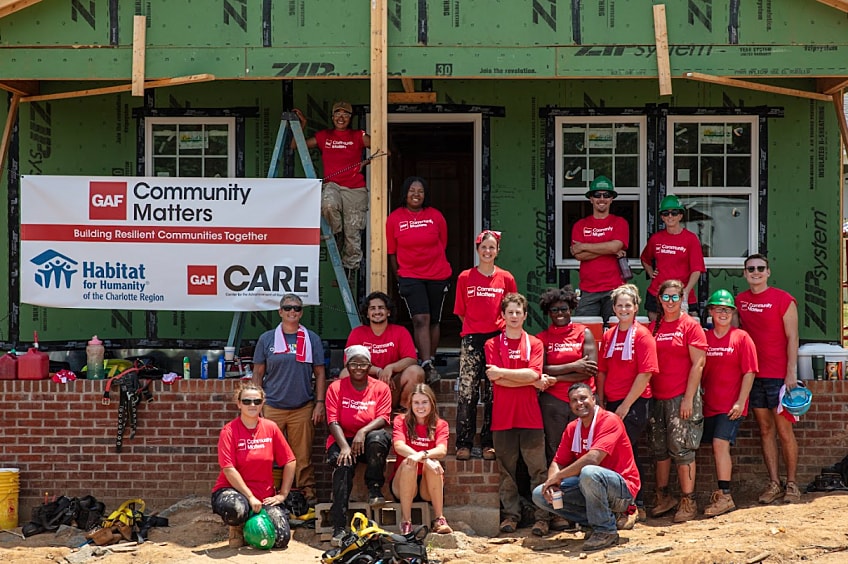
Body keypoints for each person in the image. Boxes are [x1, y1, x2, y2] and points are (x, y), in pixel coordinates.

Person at [532, 382, 641, 552]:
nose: (579, 403)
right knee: (540, 494)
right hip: (589, 487)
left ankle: (605, 531)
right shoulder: (572, 428)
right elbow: (558, 461)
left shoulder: (610, 420)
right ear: (570, 405)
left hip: (622, 491)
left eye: (583, 398)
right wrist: (552, 483)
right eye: (574, 400)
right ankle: (596, 522)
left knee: (589, 472)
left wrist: (558, 477)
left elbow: (593, 459)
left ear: (594, 399)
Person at [736, 253, 801, 504]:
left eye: (760, 268)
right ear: (745, 273)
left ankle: (792, 484)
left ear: (768, 272)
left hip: (779, 377)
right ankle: (774, 483)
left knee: (784, 430)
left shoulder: (784, 299)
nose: (756, 272)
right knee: (765, 430)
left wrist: (791, 372)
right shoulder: (740, 301)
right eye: (751, 268)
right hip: (753, 375)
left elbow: (793, 337)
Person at [485, 293, 551, 537]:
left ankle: (543, 518)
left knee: (538, 471)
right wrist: (528, 380)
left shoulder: (535, 343)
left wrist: (504, 373)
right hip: (503, 418)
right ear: (502, 315)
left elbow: (533, 374)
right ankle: (511, 516)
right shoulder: (492, 344)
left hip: (530, 417)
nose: (514, 316)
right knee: (506, 472)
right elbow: (497, 381)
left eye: (518, 312)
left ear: (525, 316)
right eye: (509, 312)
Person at [252, 293, 325, 507]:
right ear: (280, 312)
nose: (292, 311)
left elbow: (320, 373)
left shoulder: (311, 338)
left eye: (296, 308)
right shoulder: (267, 339)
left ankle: (308, 496)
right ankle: (266, 494)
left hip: (302, 407)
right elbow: (258, 372)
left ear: (301, 313)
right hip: (272, 406)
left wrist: (319, 403)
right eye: (288, 308)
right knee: (267, 454)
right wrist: (256, 403)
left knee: (302, 457)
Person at [595, 284, 658, 521]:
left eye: (628, 305)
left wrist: (625, 406)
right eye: (619, 305)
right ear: (613, 308)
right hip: (611, 403)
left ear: (635, 308)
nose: (623, 309)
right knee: (624, 453)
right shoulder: (609, 335)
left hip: (635, 403)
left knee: (623, 452)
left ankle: (632, 504)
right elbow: (602, 370)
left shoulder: (642, 335)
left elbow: (646, 373)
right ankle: (629, 503)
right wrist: (601, 400)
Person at [453, 230, 517, 461]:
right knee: (467, 391)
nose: (487, 251)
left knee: (493, 392)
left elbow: (513, 309)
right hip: (472, 338)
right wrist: (474, 327)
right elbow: (461, 311)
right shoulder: (465, 277)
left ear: (497, 251)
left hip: (497, 339)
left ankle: (489, 442)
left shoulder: (506, 278)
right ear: (477, 250)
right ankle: (464, 443)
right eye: (483, 247)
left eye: (492, 247)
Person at [648, 279, 707, 523]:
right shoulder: (654, 326)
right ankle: (663, 496)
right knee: (659, 449)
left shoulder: (690, 326)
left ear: (682, 299)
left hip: (681, 396)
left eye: (675, 297)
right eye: (666, 297)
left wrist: (688, 398)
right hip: (657, 397)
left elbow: (699, 363)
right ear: (660, 299)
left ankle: (688, 500)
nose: (670, 301)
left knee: (682, 449)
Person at [212, 384, 296, 549]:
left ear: (262, 403)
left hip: (264, 496)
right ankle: (237, 527)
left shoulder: (270, 427)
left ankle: (251, 528)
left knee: (281, 539)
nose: (252, 405)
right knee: (236, 508)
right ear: (239, 404)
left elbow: (290, 460)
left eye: (257, 401)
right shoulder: (229, 431)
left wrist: (283, 494)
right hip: (233, 491)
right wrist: (250, 497)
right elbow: (228, 469)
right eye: (247, 401)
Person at [325, 345, 392, 545]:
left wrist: (362, 431)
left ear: (370, 366)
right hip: (342, 439)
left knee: (378, 438)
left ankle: (374, 488)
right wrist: (344, 447)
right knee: (343, 465)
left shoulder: (381, 388)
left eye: (363, 364)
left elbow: (384, 417)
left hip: (368, 441)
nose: (358, 368)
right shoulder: (336, 387)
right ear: (347, 365)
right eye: (354, 363)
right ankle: (339, 527)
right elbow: (332, 421)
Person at [387, 176, 452, 382]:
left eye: (420, 191)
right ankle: (425, 364)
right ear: (405, 193)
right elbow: (392, 252)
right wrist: (399, 276)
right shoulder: (395, 218)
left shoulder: (435, 216)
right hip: (410, 276)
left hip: (437, 274)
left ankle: (430, 359)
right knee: (420, 318)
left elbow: (443, 243)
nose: (416, 195)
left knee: (434, 319)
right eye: (412, 191)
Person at [294, 101, 371, 272]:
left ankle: (350, 271)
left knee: (353, 236)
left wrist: (366, 162)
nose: (341, 118)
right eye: (337, 114)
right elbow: (295, 146)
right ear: (332, 116)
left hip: (355, 189)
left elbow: (384, 150)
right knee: (328, 204)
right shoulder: (324, 136)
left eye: (345, 115)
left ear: (350, 118)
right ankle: (337, 233)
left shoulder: (358, 135)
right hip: (333, 185)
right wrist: (303, 124)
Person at [701, 289, 758, 517]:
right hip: (708, 405)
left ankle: (725, 496)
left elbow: (750, 372)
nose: (723, 313)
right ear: (711, 312)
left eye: (727, 309)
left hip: (731, 406)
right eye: (718, 309)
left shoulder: (742, 338)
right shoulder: (704, 338)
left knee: (719, 443)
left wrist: (740, 402)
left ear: (733, 313)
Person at [536, 285, 597, 464]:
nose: (559, 313)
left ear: (571, 309)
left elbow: (590, 370)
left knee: (585, 447)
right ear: (548, 313)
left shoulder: (584, 333)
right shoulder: (542, 338)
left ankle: (583, 481)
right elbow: (542, 369)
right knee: (555, 447)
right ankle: (557, 480)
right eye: (554, 310)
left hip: (582, 398)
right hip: (553, 401)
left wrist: (557, 377)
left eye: (563, 309)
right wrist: (574, 366)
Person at [344, 291, 425, 411]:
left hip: (393, 387)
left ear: (388, 312)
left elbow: (411, 359)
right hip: (365, 388)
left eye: (381, 308)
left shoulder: (400, 331)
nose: (377, 312)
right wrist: (378, 371)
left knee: (416, 371)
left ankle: (402, 410)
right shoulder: (357, 333)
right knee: (345, 373)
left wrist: (391, 368)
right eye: (372, 308)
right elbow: (349, 362)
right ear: (367, 314)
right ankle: (355, 412)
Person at [391, 384, 452, 535]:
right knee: (409, 463)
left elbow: (442, 450)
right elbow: (399, 446)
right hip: (403, 483)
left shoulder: (440, 424)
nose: (420, 407)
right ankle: (406, 522)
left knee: (434, 464)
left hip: (427, 486)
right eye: (416, 402)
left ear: (432, 403)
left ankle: (439, 519)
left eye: (424, 402)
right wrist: (425, 459)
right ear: (410, 404)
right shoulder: (401, 420)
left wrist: (421, 455)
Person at [570, 175, 629, 321]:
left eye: (606, 195)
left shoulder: (619, 222)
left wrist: (584, 246)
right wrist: (608, 249)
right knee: (585, 330)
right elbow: (579, 255)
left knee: (615, 330)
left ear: (611, 199)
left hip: (615, 289)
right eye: (597, 195)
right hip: (588, 289)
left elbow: (615, 246)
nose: (602, 199)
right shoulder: (580, 225)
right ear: (591, 199)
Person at [640, 195, 706, 321]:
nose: (670, 216)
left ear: (680, 216)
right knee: (656, 329)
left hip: (681, 293)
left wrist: (686, 291)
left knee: (686, 328)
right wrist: (651, 273)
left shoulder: (691, 239)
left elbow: (696, 270)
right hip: (657, 292)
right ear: (662, 217)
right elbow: (645, 258)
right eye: (666, 213)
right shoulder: (656, 239)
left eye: (674, 213)